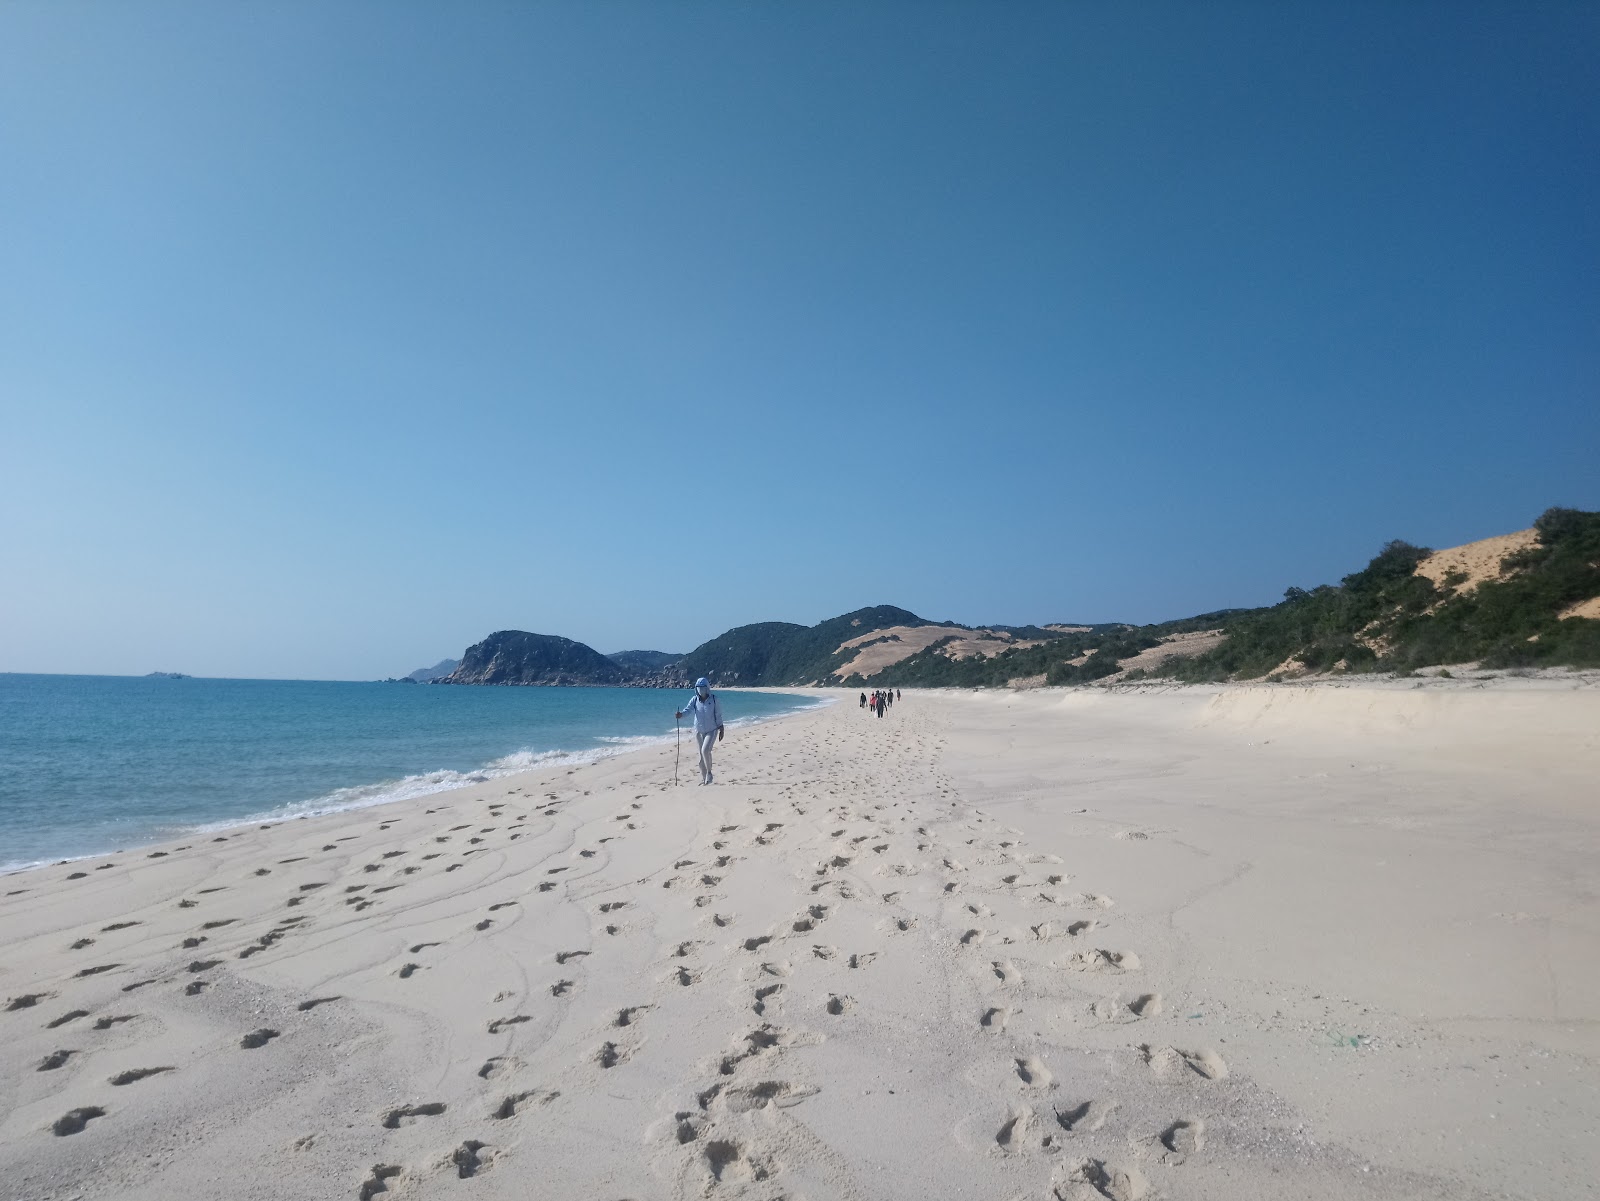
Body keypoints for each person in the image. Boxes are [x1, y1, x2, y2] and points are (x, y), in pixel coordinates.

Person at [676, 678, 724, 785]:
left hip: (712, 730)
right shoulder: (695, 700)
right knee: (701, 756)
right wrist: (681, 715)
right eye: (698, 688)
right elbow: (688, 710)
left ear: (707, 688)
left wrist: (721, 728)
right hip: (698, 731)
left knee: (705, 750)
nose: (700, 690)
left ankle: (710, 773)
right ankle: (704, 780)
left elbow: (718, 715)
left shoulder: (714, 700)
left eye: (702, 688)